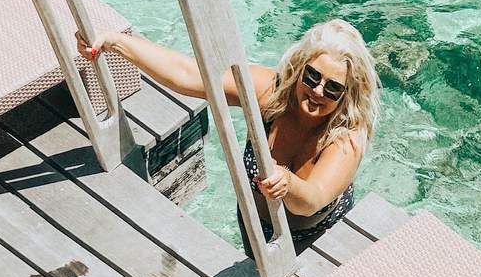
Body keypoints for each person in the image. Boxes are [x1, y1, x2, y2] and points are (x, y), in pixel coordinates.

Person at [77, 19, 380, 257]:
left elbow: (310, 201)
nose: (317, 91)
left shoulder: (347, 138)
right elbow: (188, 75)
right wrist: (114, 41)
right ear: (300, 68)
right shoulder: (271, 93)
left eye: (332, 88)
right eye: (312, 77)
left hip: (321, 243)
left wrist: (287, 182)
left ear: (346, 95)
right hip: (255, 228)